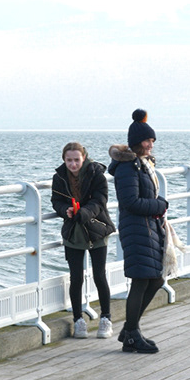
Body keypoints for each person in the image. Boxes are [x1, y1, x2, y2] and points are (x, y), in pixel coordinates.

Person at [108, 116, 171, 353]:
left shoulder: (142, 164)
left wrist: (158, 207)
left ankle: (130, 330)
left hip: (148, 228)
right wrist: (160, 205)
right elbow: (130, 202)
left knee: (156, 279)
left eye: (152, 140)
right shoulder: (127, 167)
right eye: (147, 140)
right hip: (135, 228)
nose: (151, 144)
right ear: (136, 142)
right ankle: (132, 335)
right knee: (141, 279)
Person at [50, 141, 113, 337]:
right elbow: (56, 201)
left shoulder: (96, 174)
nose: (73, 164)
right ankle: (78, 320)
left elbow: (100, 200)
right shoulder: (59, 177)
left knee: (99, 276)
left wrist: (84, 212)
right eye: (69, 160)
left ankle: (106, 319)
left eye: (76, 160)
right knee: (76, 277)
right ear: (64, 160)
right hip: (73, 231)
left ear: (83, 158)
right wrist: (64, 210)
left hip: (96, 228)